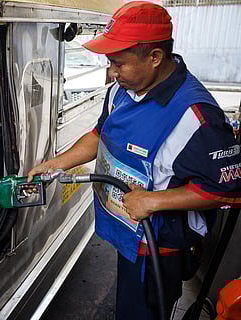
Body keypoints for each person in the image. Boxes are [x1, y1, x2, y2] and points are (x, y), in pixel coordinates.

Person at [28, 2, 241, 319]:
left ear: (155, 57)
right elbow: (100, 134)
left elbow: (225, 190)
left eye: (118, 64)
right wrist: (57, 163)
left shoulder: (195, 118)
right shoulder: (119, 92)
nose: (112, 73)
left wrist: (153, 202)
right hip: (127, 232)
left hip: (158, 246)